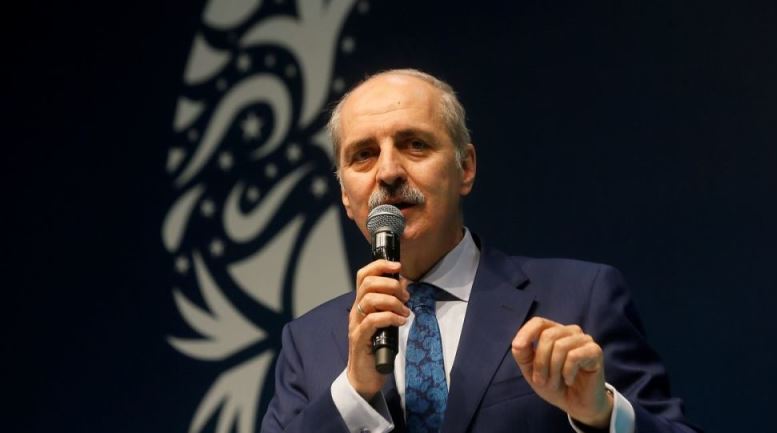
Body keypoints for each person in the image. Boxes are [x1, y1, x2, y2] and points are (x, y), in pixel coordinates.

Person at [261, 69, 700, 433]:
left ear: (465, 167)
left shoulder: (581, 297)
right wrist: (353, 393)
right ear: (345, 194)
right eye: (363, 155)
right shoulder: (308, 343)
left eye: (415, 144)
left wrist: (601, 415)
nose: (389, 171)